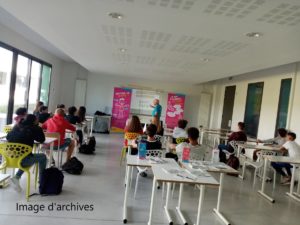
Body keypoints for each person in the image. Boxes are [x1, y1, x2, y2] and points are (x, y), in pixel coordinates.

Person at [6, 114, 46, 191]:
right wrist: (38, 128)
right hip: (24, 160)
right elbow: (42, 140)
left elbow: (8, 137)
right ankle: (42, 181)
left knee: (28, 156)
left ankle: (17, 177)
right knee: (42, 157)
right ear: (34, 121)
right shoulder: (35, 128)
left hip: (9, 159)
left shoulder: (16, 126)